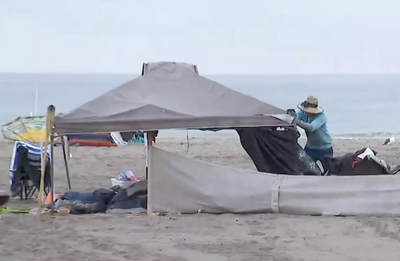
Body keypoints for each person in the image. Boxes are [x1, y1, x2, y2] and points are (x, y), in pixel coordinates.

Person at [295, 96, 333, 162]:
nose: (306, 112)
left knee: (328, 169)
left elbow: (311, 128)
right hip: (310, 147)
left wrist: (298, 122)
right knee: (304, 167)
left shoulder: (321, 117)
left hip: (325, 148)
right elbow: (295, 118)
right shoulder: (302, 113)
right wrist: (291, 116)